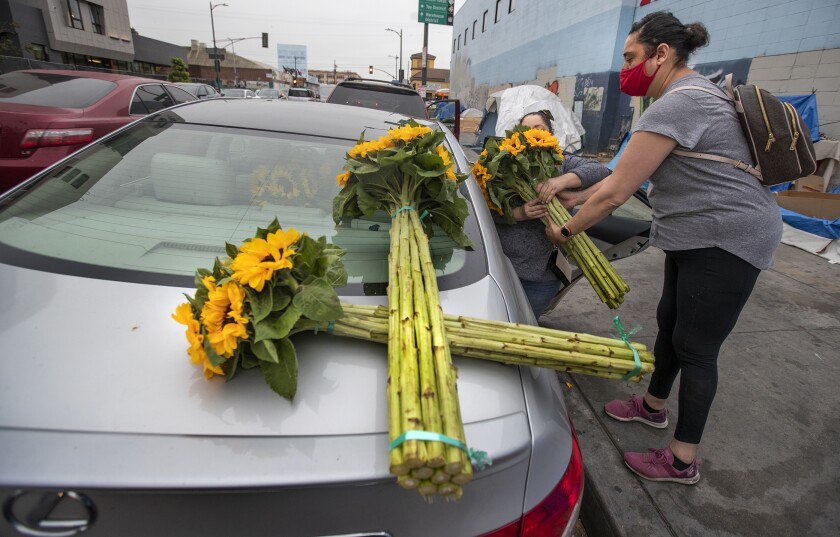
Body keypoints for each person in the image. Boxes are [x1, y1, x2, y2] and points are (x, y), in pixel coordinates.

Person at [541, 11, 782, 485]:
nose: (625, 69)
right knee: (671, 323)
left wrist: (565, 233)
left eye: (631, 58)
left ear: (661, 54)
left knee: (697, 348)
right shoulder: (692, 94)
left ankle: (681, 460)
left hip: (726, 237)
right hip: (697, 233)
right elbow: (625, 175)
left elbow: (615, 194)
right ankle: (653, 407)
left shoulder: (679, 102)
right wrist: (575, 196)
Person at [494, 110, 610, 320]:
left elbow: (600, 171)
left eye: (539, 129)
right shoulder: (503, 165)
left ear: (550, 133)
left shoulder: (561, 161)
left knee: (528, 323)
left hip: (544, 274)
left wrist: (561, 182)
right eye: (526, 131)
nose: (532, 135)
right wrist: (518, 213)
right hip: (505, 268)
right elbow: (485, 211)